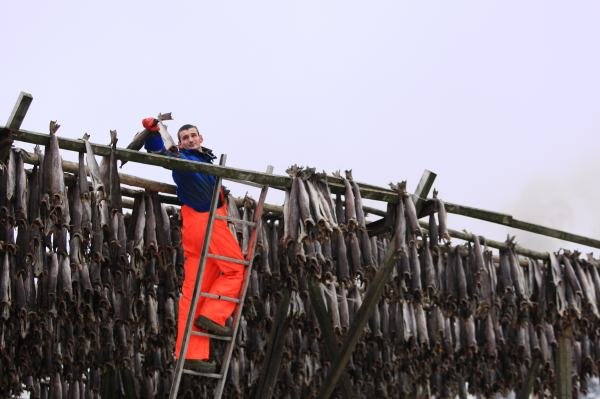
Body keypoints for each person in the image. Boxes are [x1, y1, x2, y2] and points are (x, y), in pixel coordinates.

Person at [142, 117, 245, 374]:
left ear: (201, 138)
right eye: (185, 137)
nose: (189, 139)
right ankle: (214, 314)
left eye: (193, 136)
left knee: (196, 290)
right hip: (208, 223)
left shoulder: (205, 162)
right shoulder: (183, 159)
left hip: (194, 229)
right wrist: (153, 133)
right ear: (180, 142)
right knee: (234, 269)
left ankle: (190, 353)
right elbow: (158, 151)